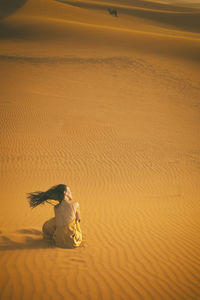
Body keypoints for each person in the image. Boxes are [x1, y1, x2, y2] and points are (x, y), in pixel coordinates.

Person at [27, 184, 82, 248]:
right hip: (73, 241)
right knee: (75, 222)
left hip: (59, 242)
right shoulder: (75, 204)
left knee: (55, 221)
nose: (71, 192)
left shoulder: (56, 208)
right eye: (69, 191)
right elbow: (79, 219)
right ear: (65, 193)